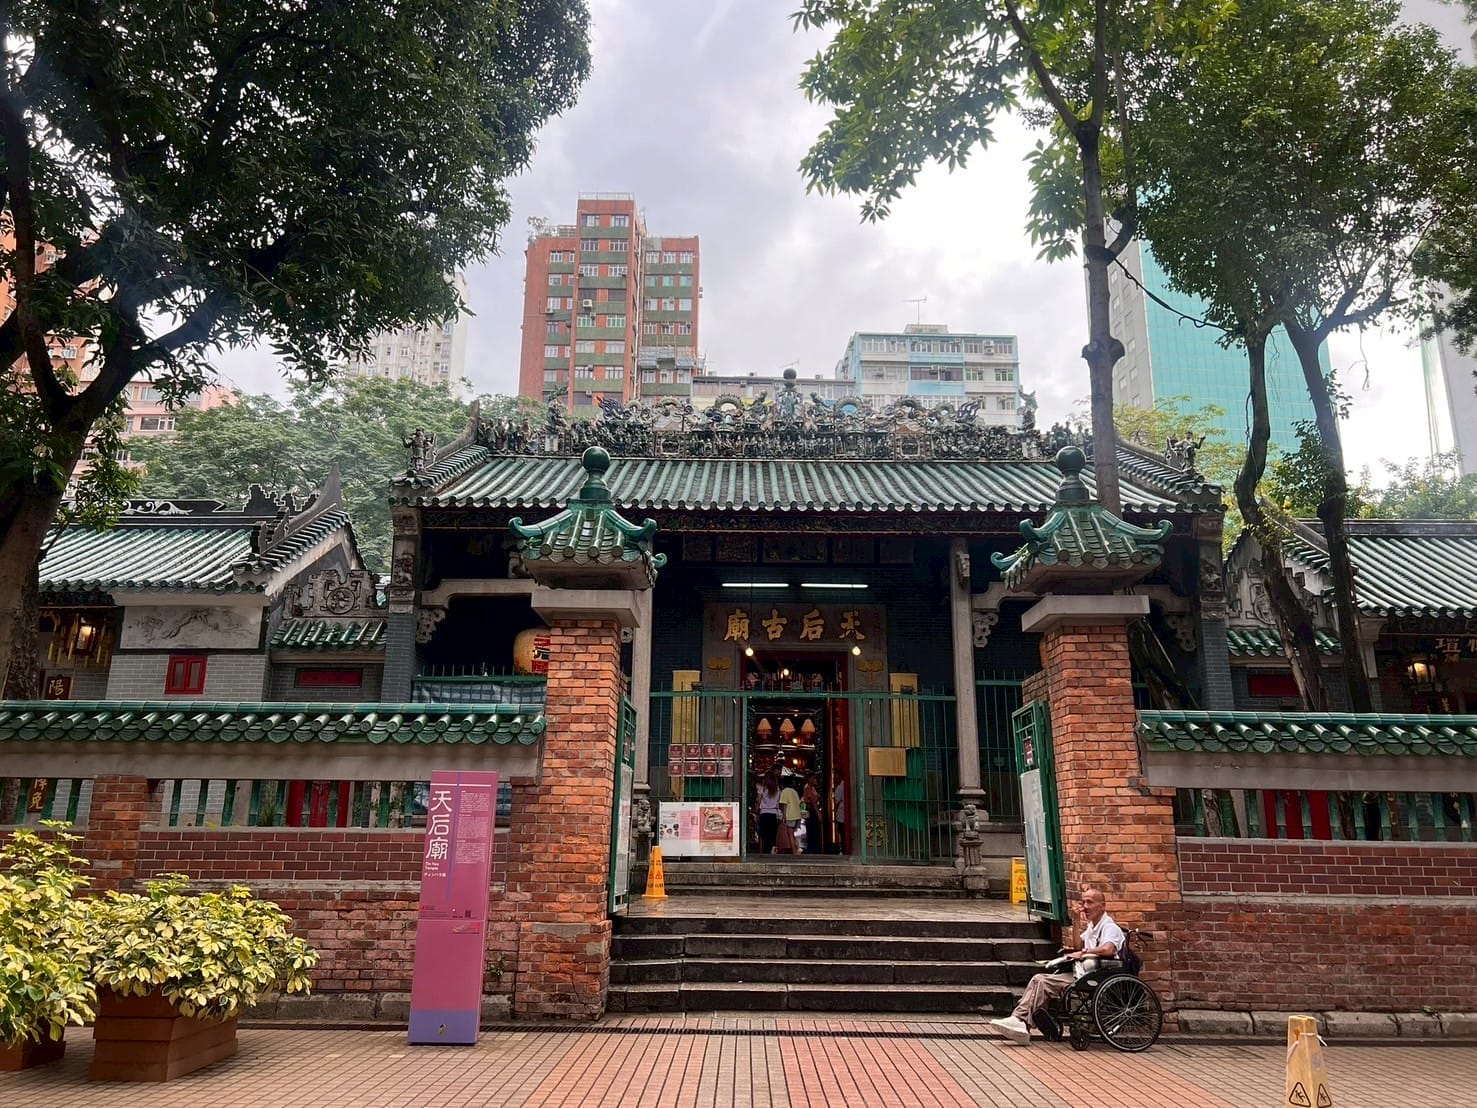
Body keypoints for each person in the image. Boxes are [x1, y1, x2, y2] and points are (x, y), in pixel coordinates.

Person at [990, 885, 1126, 1045]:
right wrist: (1076, 921)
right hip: (1083, 972)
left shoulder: (1109, 927)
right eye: (1083, 902)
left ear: (1102, 906)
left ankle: (1021, 1021)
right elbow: (1078, 944)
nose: (1085, 907)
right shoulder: (1093, 927)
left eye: (1090, 902)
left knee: (1043, 982)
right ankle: (1020, 1020)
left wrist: (1084, 952)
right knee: (1038, 978)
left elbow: (1107, 949)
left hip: (1098, 975)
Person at [756, 769, 782, 854]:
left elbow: (759, 801)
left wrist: (757, 811)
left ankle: (765, 851)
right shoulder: (777, 789)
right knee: (773, 834)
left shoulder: (762, 789)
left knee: (764, 835)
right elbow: (779, 802)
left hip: (764, 813)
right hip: (774, 813)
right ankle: (772, 850)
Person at [778, 775, 803, 854]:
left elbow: (784, 804)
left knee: (790, 834)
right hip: (797, 815)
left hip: (790, 815)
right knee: (792, 833)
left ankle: (794, 850)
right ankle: (797, 848)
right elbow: (798, 802)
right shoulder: (794, 791)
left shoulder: (784, 791)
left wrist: (784, 816)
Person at [802, 775, 823, 854]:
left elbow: (817, 798)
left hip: (814, 810)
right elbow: (812, 802)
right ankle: (813, 849)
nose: (815, 780)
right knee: (812, 831)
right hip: (812, 811)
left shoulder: (813, 788)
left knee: (815, 831)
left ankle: (815, 849)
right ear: (810, 779)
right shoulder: (807, 788)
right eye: (814, 778)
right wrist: (818, 813)